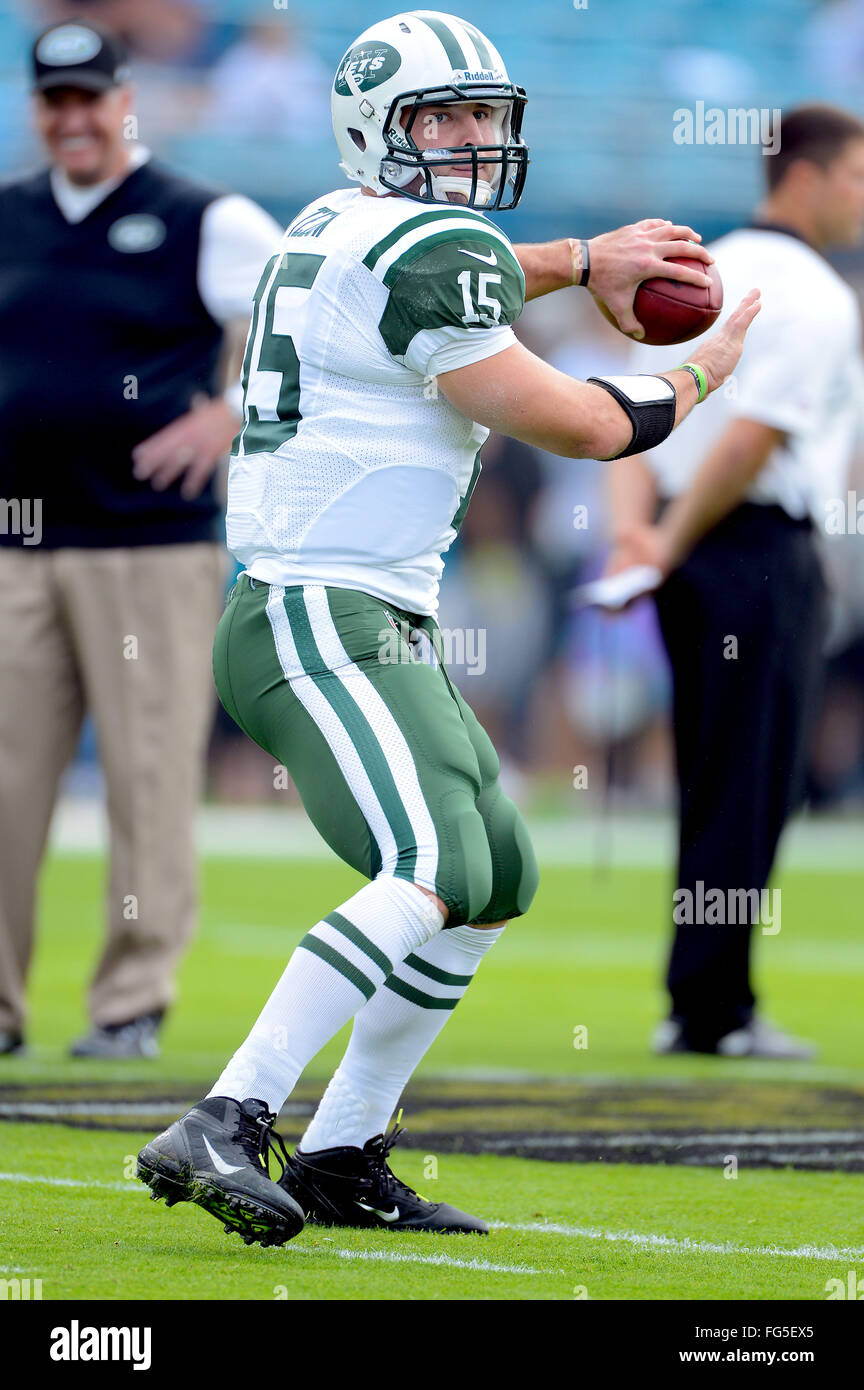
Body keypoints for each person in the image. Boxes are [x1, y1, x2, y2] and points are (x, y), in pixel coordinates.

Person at [137, 9, 759, 1247]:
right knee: (426, 864)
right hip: (317, 608)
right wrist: (703, 372)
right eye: (447, 119)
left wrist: (581, 259)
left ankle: (342, 1149)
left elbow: (451, 272)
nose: (476, 140)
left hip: (368, 608)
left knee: (495, 878)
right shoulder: (421, 246)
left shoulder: (338, 221)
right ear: (380, 129)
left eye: (489, 116)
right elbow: (587, 425)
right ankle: (227, 1111)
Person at [0, 19, 282, 1059]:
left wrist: (230, 411)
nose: (74, 117)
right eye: (55, 100)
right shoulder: (11, 216)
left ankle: (130, 1000)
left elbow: (306, 330)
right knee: (5, 784)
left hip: (148, 546)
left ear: (126, 99)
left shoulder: (203, 216)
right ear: (37, 108)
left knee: (148, 774)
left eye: (91, 96)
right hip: (15, 545)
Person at [606, 104, 864, 1058]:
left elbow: (631, 414)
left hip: (685, 539)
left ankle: (703, 995)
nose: (863, 199)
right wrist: (666, 540)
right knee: (753, 773)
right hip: (750, 546)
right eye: (858, 176)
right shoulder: (820, 295)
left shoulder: (693, 272)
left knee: (714, 765)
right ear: (807, 174)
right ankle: (714, 1007)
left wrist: (639, 533)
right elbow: (754, 443)